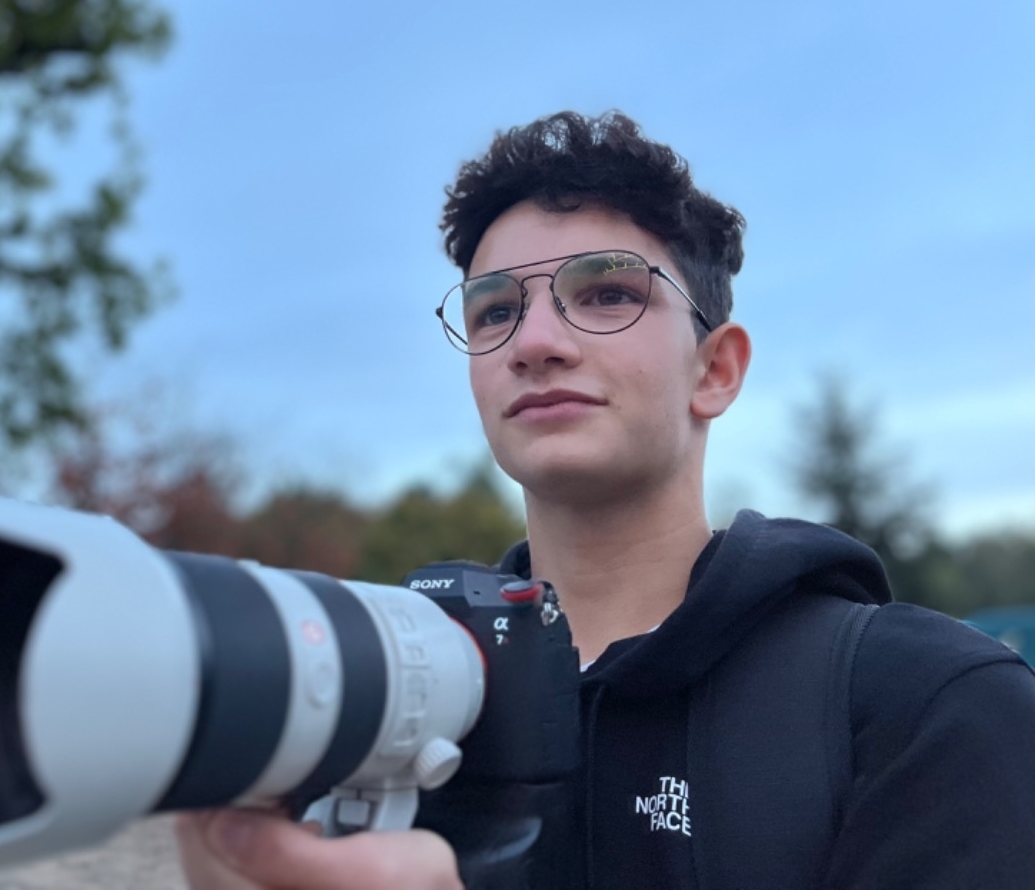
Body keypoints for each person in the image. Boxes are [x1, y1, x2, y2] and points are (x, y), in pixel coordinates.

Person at [176, 110, 1035, 889]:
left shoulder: (931, 704)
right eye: (494, 311)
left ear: (716, 369)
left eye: (609, 294)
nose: (535, 342)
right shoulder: (374, 700)